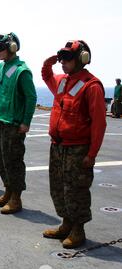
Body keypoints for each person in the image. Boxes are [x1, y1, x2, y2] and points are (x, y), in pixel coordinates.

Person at [42, 40, 106, 249]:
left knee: (76, 190)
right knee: (58, 187)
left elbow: (99, 123)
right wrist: (48, 63)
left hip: (78, 148)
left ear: (82, 59)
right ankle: (66, 223)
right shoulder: (63, 81)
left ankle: (78, 230)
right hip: (58, 146)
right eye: (63, 58)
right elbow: (47, 77)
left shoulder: (91, 86)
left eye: (68, 58)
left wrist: (92, 153)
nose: (63, 62)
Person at [0, 33, 37, 214]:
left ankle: (16, 198)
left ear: (13, 48)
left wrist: (26, 122)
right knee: (1, 159)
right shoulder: (3, 67)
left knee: (13, 161)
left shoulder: (22, 71)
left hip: (13, 123)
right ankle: (7, 192)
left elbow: (31, 97)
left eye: (1, 48)